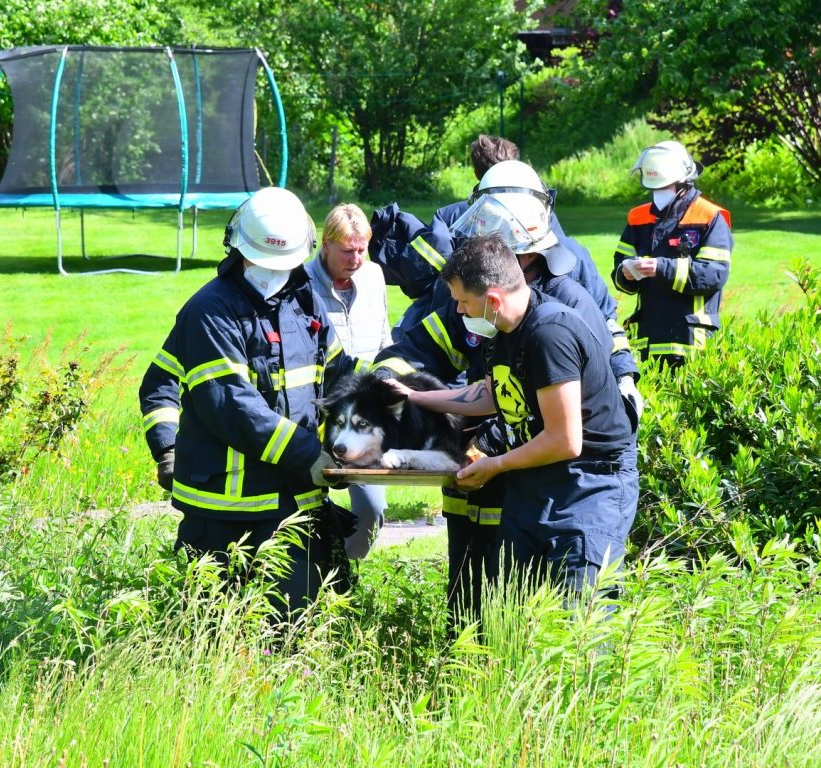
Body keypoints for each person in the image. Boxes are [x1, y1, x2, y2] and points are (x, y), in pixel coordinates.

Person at [375, 161, 640, 623]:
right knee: (512, 610)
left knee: (576, 620)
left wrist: (492, 456)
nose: (457, 310)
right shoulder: (505, 315)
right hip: (533, 475)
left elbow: (564, 437)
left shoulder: (554, 319)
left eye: (463, 303)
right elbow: (493, 392)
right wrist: (410, 394)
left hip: (581, 481)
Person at [138, 187, 355, 618]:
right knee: (216, 630)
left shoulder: (302, 300)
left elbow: (337, 373)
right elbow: (232, 406)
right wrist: (167, 448)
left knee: (295, 630)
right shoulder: (209, 312)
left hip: (295, 502)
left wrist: (360, 435)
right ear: (237, 249)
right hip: (224, 512)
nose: (273, 272)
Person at [305, 203, 393, 560]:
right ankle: (311, 573)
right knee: (304, 510)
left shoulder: (373, 277)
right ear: (325, 245)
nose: (356, 258)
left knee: (372, 511)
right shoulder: (300, 283)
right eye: (347, 250)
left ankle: (345, 567)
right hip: (311, 416)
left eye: (362, 249)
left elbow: (386, 341)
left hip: (363, 420)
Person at [612, 140, 733, 367]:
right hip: (648, 338)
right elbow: (620, 265)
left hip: (692, 341)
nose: (659, 193)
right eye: (655, 188)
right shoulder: (638, 218)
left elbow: (713, 274)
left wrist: (661, 268)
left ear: (683, 182)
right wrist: (625, 272)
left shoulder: (709, 217)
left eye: (665, 187)